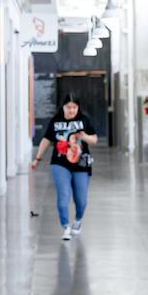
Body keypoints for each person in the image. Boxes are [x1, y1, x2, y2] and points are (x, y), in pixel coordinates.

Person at [31, 94, 98, 240]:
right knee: (63, 195)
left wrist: (84, 137)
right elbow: (46, 140)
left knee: (81, 200)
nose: (72, 110)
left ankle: (78, 221)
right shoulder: (56, 121)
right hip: (60, 163)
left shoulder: (84, 120)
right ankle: (66, 226)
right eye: (69, 107)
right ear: (63, 107)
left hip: (81, 163)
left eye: (74, 107)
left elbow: (94, 139)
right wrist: (37, 159)